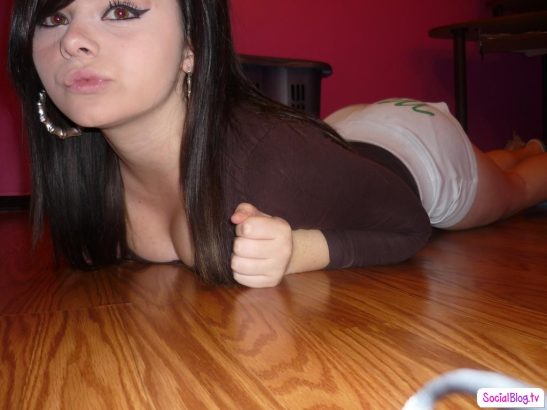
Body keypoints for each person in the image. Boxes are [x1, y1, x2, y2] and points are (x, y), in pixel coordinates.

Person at [7, 0, 547, 288]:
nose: (72, 41)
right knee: (505, 157)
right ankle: (518, 147)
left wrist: (300, 251)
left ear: (192, 48)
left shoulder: (271, 161)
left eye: (122, 11)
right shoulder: (92, 173)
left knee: (520, 186)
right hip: (342, 136)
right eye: (54, 17)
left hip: (418, 152)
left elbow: (409, 223)